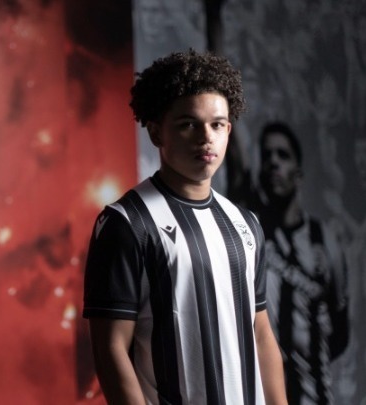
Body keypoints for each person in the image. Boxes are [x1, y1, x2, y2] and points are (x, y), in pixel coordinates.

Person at [82, 49, 287, 405]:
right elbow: (110, 348)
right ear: (156, 132)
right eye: (188, 124)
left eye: (217, 124)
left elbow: (261, 333)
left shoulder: (245, 224)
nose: (206, 137)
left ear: (228, 130)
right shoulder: (127, 223)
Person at [249, 122, 349, 405]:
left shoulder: (325, 240)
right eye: (267, 156)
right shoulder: (250, 236)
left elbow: (341, 330)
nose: (273, 163)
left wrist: (307, 353)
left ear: (299, 173)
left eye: (283, 155)